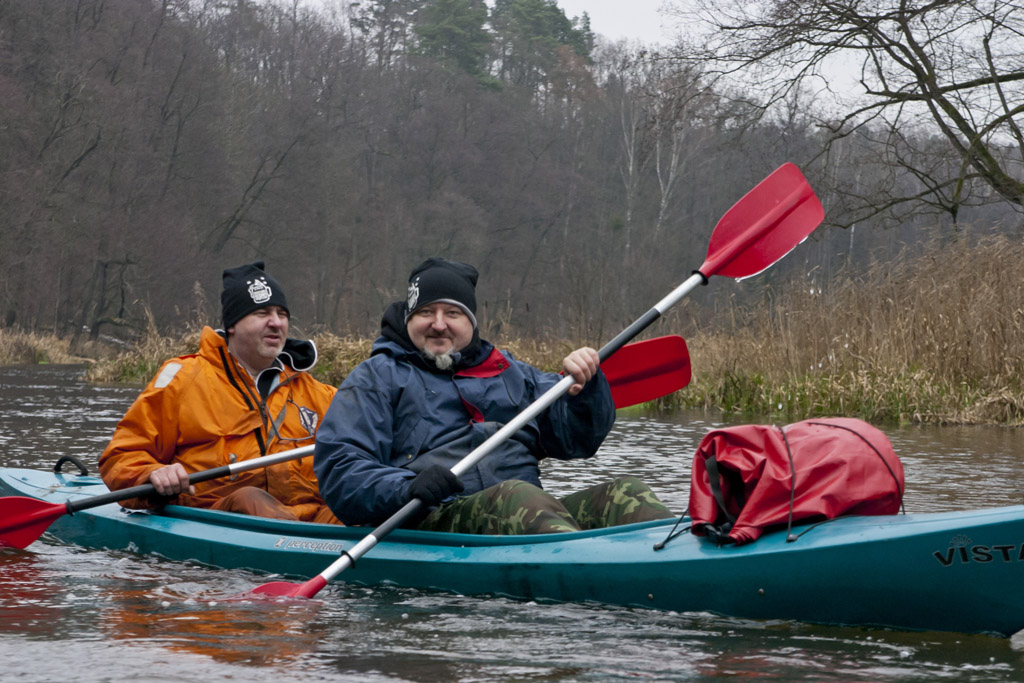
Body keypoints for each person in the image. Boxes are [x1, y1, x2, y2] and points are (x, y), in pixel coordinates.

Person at [313, 257, 673, 534]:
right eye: (425, 312)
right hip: (430, 521)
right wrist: (405, 488)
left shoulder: (512, 373)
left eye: (452, 313)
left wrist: (585, 389)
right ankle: (586, 572)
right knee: (517, 497)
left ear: (471, 323)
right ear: (409, 320)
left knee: (627, 494)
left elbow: (578, 441)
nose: (438, 323)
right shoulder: (376, 378)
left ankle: (672, 559)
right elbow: (340, 468)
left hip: (526, 515)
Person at [99, 262, 340, 523]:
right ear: (232, 325)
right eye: (262, 313)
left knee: (360, 507)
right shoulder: (182, 380)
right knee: (250, 499)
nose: (276, 323)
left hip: (310, 523)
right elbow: (120, 458)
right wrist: (152, 473)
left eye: (282, 314)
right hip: (219, 518)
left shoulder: (320, 395)